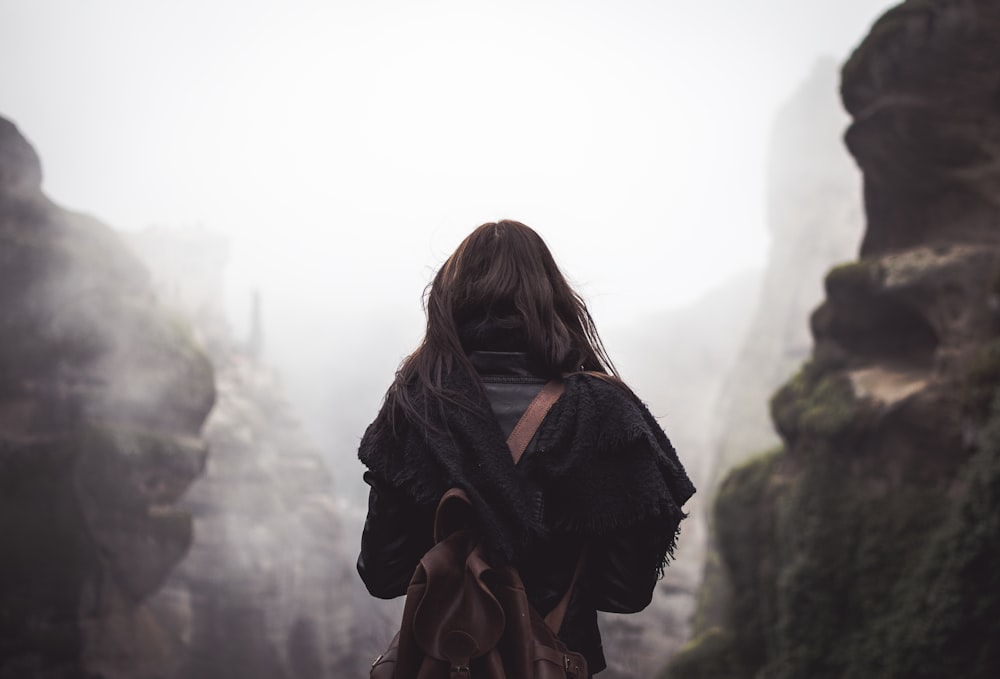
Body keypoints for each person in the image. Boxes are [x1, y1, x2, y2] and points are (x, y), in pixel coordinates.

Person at [357, 220, 694, 675]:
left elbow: (383, 575)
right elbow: (627, 594)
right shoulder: (603, 413)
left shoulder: (415, 405)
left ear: (451, 300)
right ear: (550, 297)